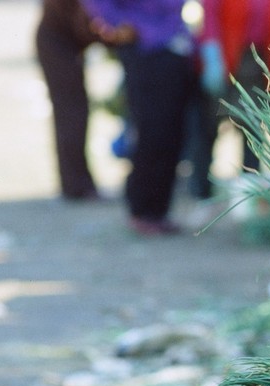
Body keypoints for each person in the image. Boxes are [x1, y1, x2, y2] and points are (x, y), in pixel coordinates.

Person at [81, 0, 196, 236]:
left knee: (173, 133)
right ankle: (142, 211)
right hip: (144, 48)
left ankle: (159, 212)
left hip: (175, 44)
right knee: (152, 130)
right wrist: (117, 23)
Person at [185, 0, 270, 200]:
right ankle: (201, 193)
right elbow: (210, 12)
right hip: (225, 58)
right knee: (208, 127)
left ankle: (248, 196)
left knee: (254, 129)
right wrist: (210, 50)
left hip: (263, 64)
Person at [35, 0, 105, 202]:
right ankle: (76, 186)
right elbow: (83, 22)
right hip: (57, 44)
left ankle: (79, 183)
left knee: (74, 114)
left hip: (64, 43)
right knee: (72, 114)